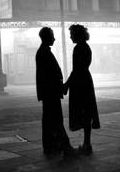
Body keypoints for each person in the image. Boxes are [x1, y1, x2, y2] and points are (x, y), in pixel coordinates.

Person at [36, 27, 76, 158]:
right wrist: (61, 87)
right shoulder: (44, 53)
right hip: (51, 93)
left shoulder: (44, 52)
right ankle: (65, 146)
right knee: (56, 120)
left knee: (49, 120)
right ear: (46, 37)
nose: (54, 38)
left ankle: (51, 146)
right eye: (52, 36)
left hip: (49, 92)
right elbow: (50, 76)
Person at [64, 24, 100, 155]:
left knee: (84, 112)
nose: (70, 37)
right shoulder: (86, 47)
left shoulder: (79, 48)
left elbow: (76, 69)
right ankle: (87, 143)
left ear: (77, 34)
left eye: (72, 34)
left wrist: (67, 84)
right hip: (85, 80)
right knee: (87, 112)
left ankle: (87, 144)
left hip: (80, 82)